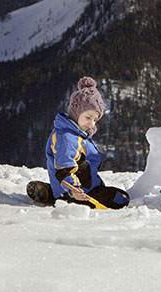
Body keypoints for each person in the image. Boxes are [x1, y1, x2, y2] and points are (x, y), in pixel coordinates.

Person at [26, 77, 130, 209]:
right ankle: (63, 198)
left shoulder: (78, 135)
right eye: (88, 117)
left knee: (120, 197)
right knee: (120, 200)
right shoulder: (66, 138)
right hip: (77, 193)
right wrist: (73, 190)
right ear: (76, 113)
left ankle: (53, 192)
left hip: (85, 187)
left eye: (95, 120)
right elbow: (64, 169)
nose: (91, 123)